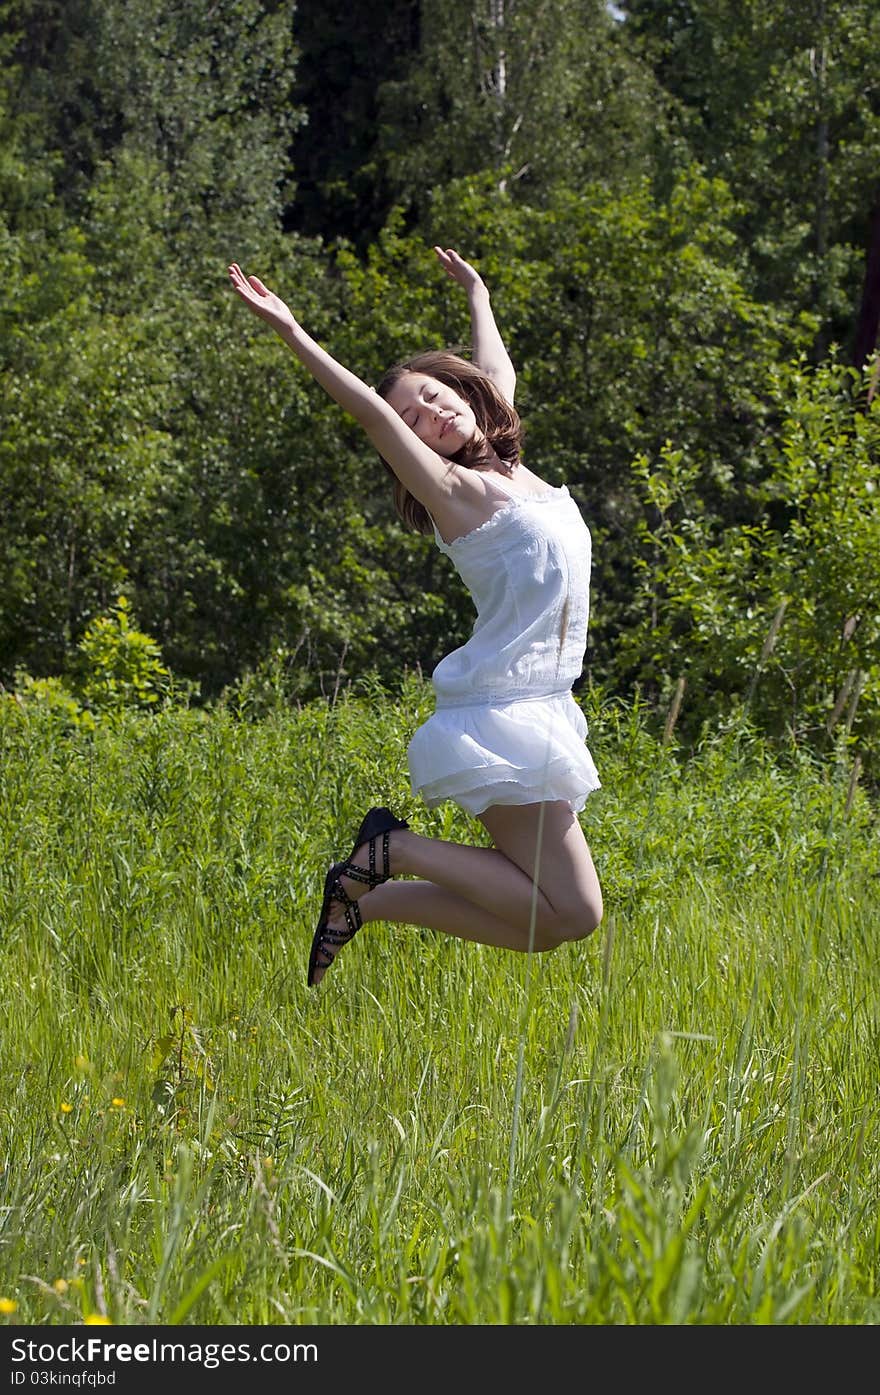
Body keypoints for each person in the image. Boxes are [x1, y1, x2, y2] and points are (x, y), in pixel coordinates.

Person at [228, 246, 603, 987]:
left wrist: (479, 293)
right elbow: (369, 412)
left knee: (549, 925)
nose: (430, 414)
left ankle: (370, 896)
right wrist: (294, 334)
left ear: (458, 388)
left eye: (433, 396)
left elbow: (499, 373)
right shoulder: (458, 493)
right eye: (415, 417)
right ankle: (391, 852)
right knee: (574, 914)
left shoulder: (512, 464)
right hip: (502, 714)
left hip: (545, 706)